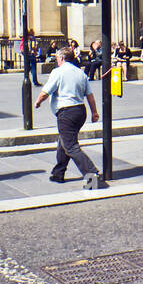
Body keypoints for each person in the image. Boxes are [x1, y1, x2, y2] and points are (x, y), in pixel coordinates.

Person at [34, 50, 103, 187]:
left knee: (70, 146)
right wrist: (94, 112)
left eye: (57, 57)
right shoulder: (80, 73)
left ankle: (92, 175)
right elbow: (89, 95)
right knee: (64, 141)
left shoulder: (58, 72)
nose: (56, 60)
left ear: (61, 58)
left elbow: (46, 91)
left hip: (66, 112)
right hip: (80, 111)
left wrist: (38, 102)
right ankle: (58, 173)